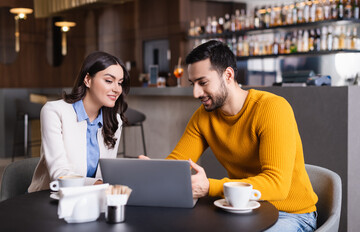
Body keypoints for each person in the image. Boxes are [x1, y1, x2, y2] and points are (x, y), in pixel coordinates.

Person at [148, 40, 318, 231]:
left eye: (203, 82)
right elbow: (177, 164)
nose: (196, 93)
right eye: (193, 84)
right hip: (240, 209)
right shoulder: (203, 117)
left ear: (228, 75)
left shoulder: (272, 108)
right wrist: (154, 172)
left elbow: (277, 184)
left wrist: (210, 187)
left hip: (291, 214)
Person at [28, 51, 130, 192]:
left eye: (120, 83)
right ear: (87, 80)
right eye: (108, 81)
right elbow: (60, 174)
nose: (117, 89)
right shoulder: (54, 111)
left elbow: (105, 174)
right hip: (51, 197)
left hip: (92, 197)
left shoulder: (115, 121)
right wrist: (100, 185)